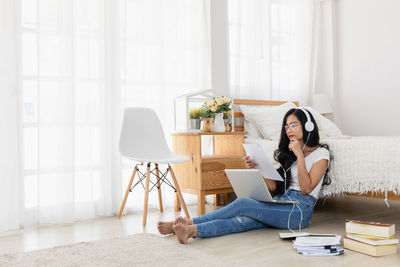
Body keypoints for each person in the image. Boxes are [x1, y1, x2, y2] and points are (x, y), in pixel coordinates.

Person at [158, 108, 331, 244]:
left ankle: (189, 221)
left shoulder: (321, 154)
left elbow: (307, 188)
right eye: (286, 126)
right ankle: (191, 230)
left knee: (243, 203)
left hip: (299, 211)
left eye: (294, 125)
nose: (288, 130)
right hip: (283, 201)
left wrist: (300, 155)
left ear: (308, 126)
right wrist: (259, 169)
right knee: (242, 221)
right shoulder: (291, 154)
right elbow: (274, 188)